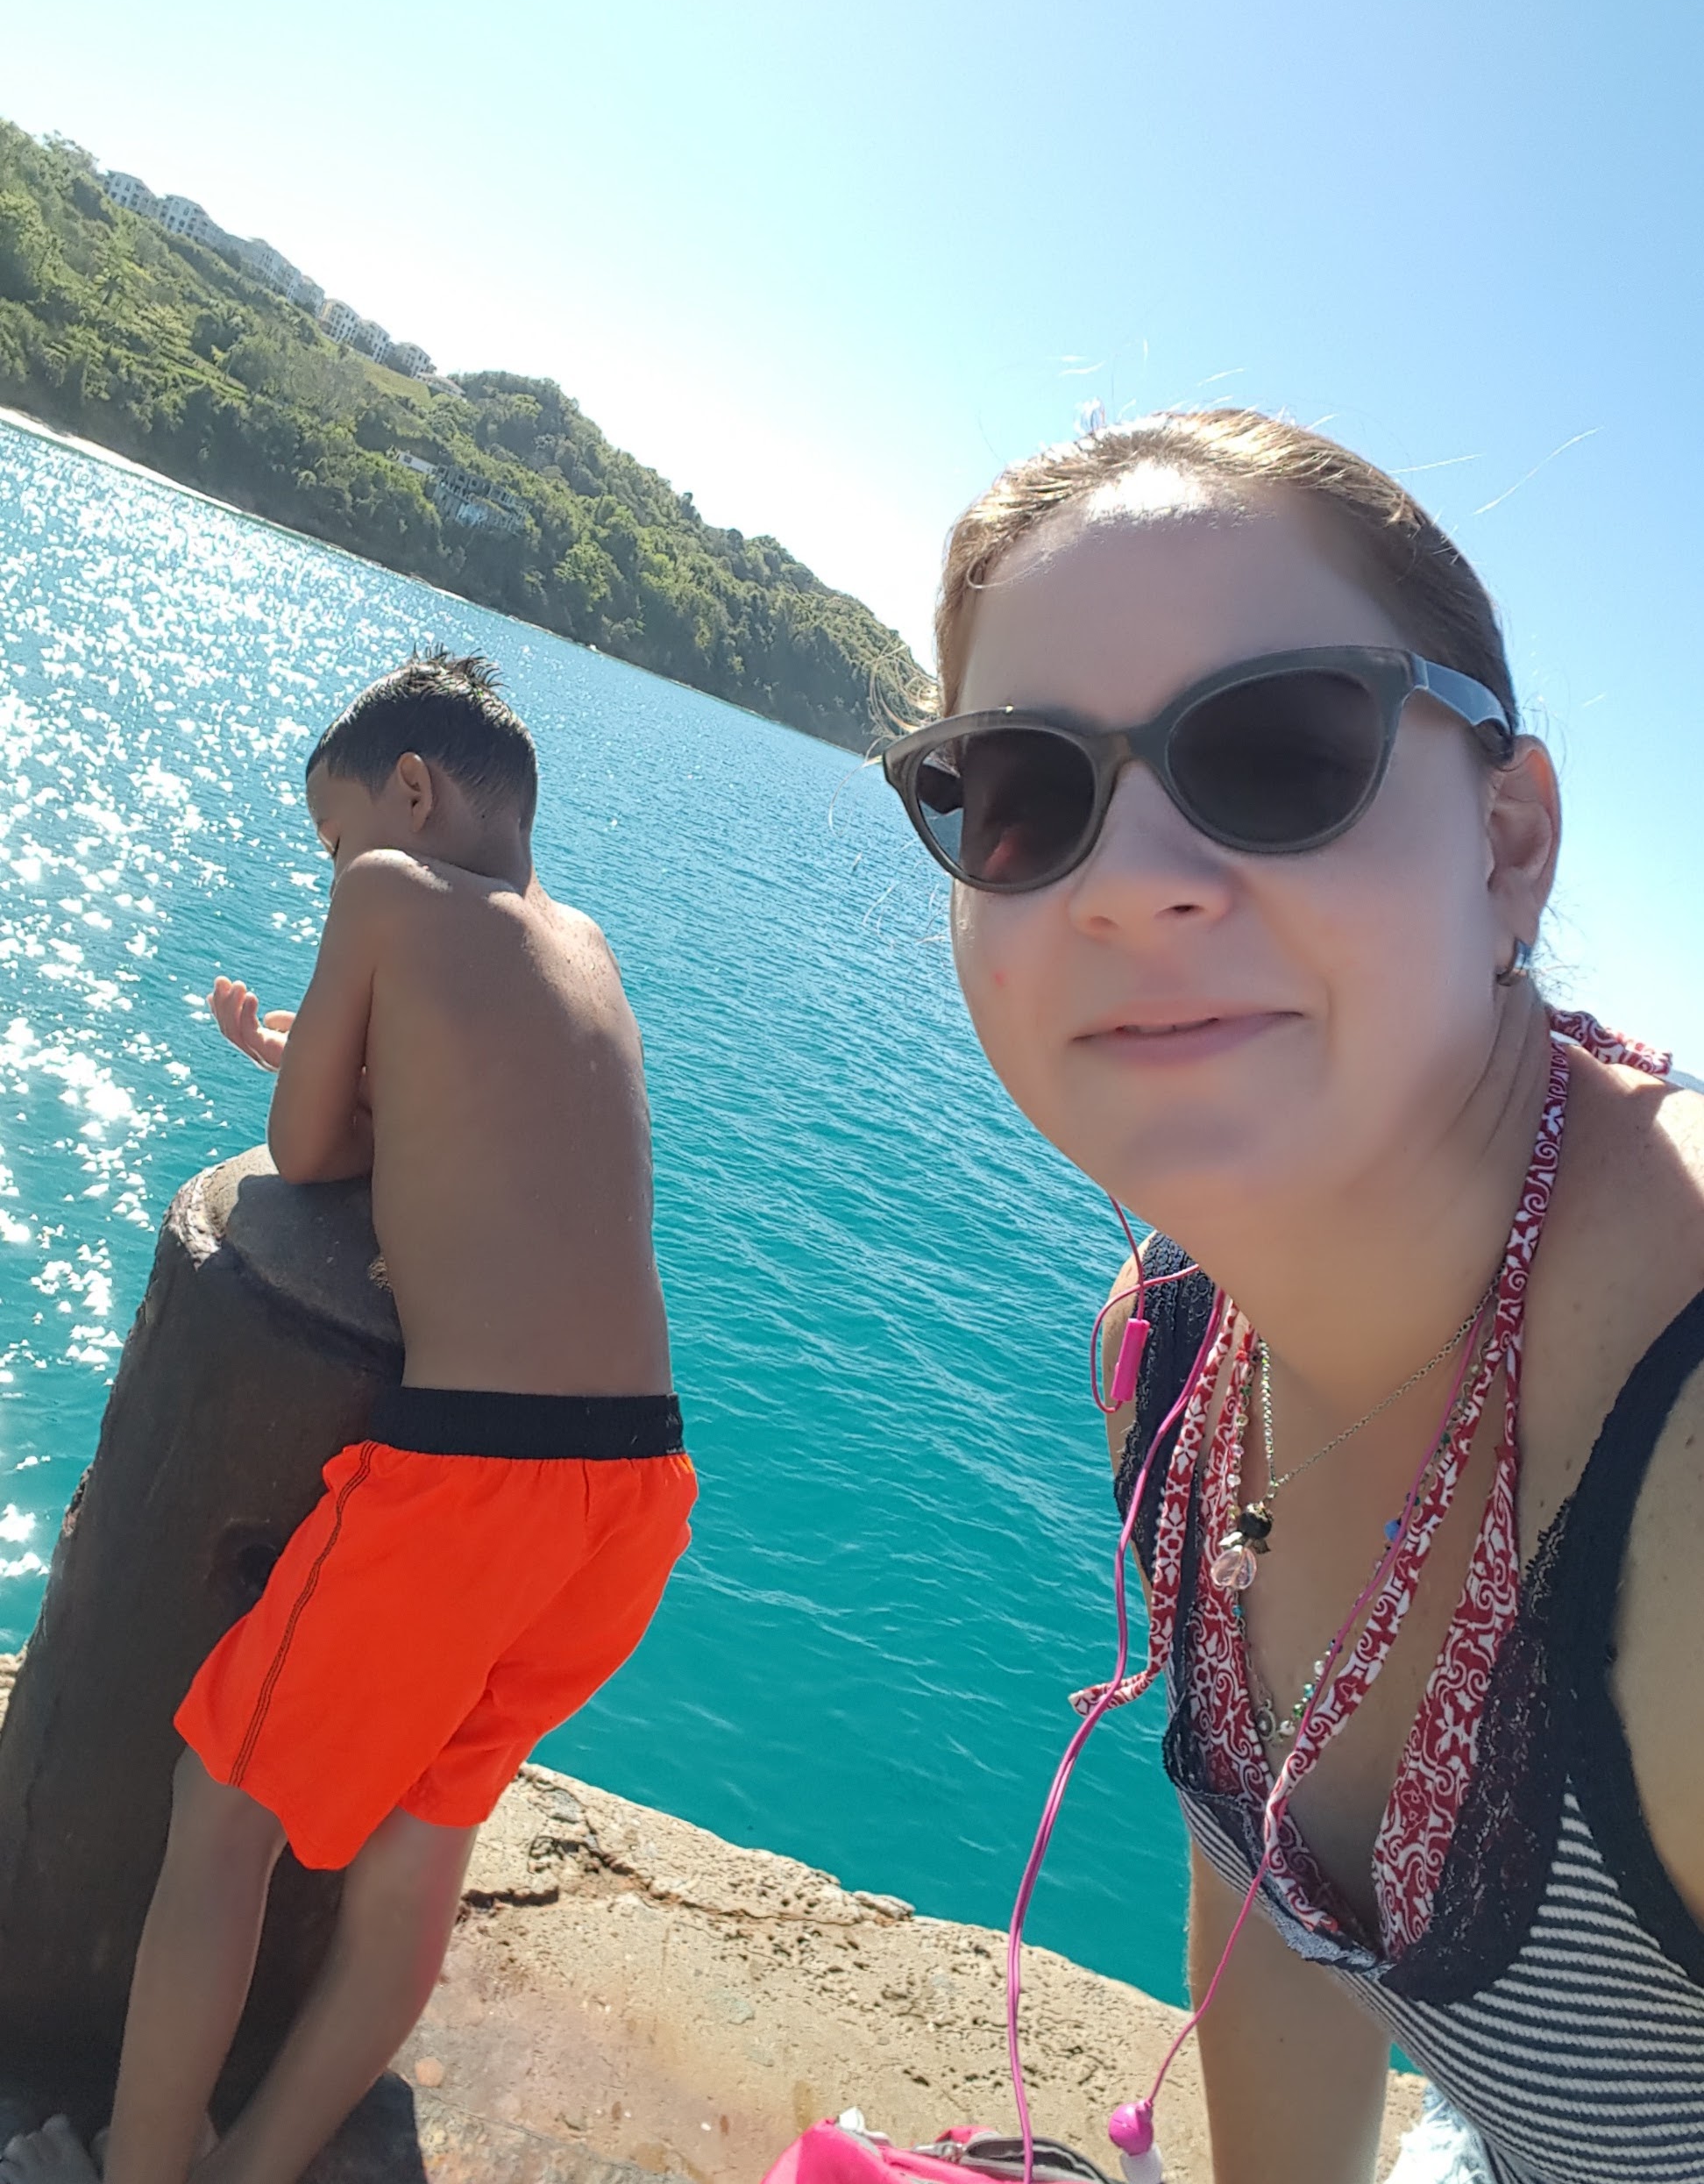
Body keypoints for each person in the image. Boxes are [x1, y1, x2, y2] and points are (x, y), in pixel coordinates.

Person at [879, 412, 1704, 2184]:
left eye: (1277, 750)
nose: (1130, 883)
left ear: (1508, 841)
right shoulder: (1168, 1345)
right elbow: (1277, 1935)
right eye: (1023, 794)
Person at [0, 650, 696, 2184]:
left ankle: (142, 2167)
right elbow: (477, 1128)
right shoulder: (583, 943)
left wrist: (295, 1061)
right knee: (417, 1854)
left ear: (412, 794)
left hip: (479, 1485)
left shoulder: (387, 892)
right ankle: (253, 2166)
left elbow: (310, 1154)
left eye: (335, 838)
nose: (338, 870)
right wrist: (328, 1053)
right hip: (635, 1493)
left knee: (222, 1807)